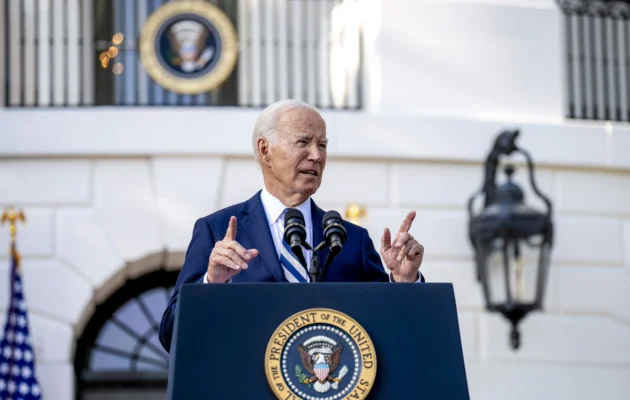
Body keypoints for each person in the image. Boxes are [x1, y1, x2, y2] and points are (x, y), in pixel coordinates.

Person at [159, 99, 425, 352]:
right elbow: (172, 336)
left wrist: (404, 282)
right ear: (265, 150)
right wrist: (211, 284)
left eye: (322, 145)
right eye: (303, 142)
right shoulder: (215, 230)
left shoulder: (351, 240)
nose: (316, 156)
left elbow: (393, 332)